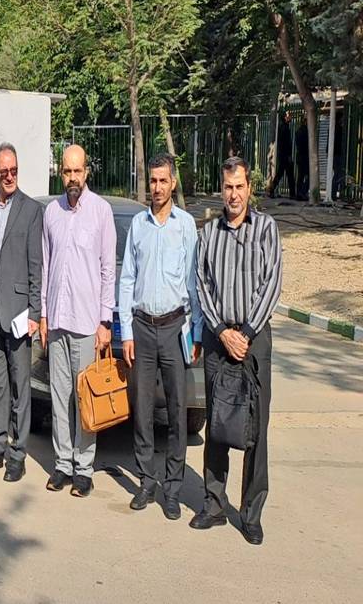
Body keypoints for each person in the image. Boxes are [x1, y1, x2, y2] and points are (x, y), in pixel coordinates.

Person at [191, 156, 282, 546]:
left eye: (239, 187)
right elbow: (202, 284)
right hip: (218, 339)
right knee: (217, 423)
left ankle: (251, 513)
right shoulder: (209, 234)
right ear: (221, 189)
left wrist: (244, 333)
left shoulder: (266, 229)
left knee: (256, 428)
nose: (233, 195)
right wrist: (222, 332)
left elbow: (271, 284)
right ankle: (213, 504)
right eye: (228, 187)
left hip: (254, 339)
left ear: (249, 188)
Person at [119, 154, 203, 520]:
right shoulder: (138, 225)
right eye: (152, 181)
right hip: (141, 327)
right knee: (141, 410)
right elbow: (126, 280)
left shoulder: (186, 226)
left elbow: (194, 284)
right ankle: (146, 482)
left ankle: (172, 488)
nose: (157, 187)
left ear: (173, 183)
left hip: (174, 328)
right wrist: (126, 332)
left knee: (177, 410)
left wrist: (196, 333)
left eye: (163, 181)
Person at [39, 144, 117, 497]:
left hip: (87, 324)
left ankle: (84, 468)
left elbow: (107, 270)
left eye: (78, 171)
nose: (73, 177)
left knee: (86, 398)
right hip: (57, 321)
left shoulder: (101, 211)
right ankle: (62, 464)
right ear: (61, 173)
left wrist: (105, 322)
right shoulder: (51, 213)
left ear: (87, 172)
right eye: (67, 171)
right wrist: (43, 315)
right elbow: (45, 266)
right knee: (59, 398)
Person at [0, 143, 44, 483]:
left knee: (20, 385)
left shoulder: (31, 210)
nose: (10, 176)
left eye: (14, 170)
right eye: (4, 171)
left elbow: (36, 265)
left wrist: (35, 312)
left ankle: (18, 454)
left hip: (17, 313)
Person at [268, 111, 294, 199]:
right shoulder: (284, 128)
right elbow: (285, 144)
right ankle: (292, 194)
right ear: (284, 117)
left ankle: (272, 190)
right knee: (288, 175)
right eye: (288, 116)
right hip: (285, 156)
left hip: (283, 155)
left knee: (281, 174)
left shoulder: (284, 127)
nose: (290, 117)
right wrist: (288, 155)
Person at [295, 119, 310, 200]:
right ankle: (303, 192)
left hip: (300, 156)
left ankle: (299, 193)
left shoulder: (298, 131)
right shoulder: (306, 131)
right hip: (305, 157)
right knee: (309, 176)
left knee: (300, 176)